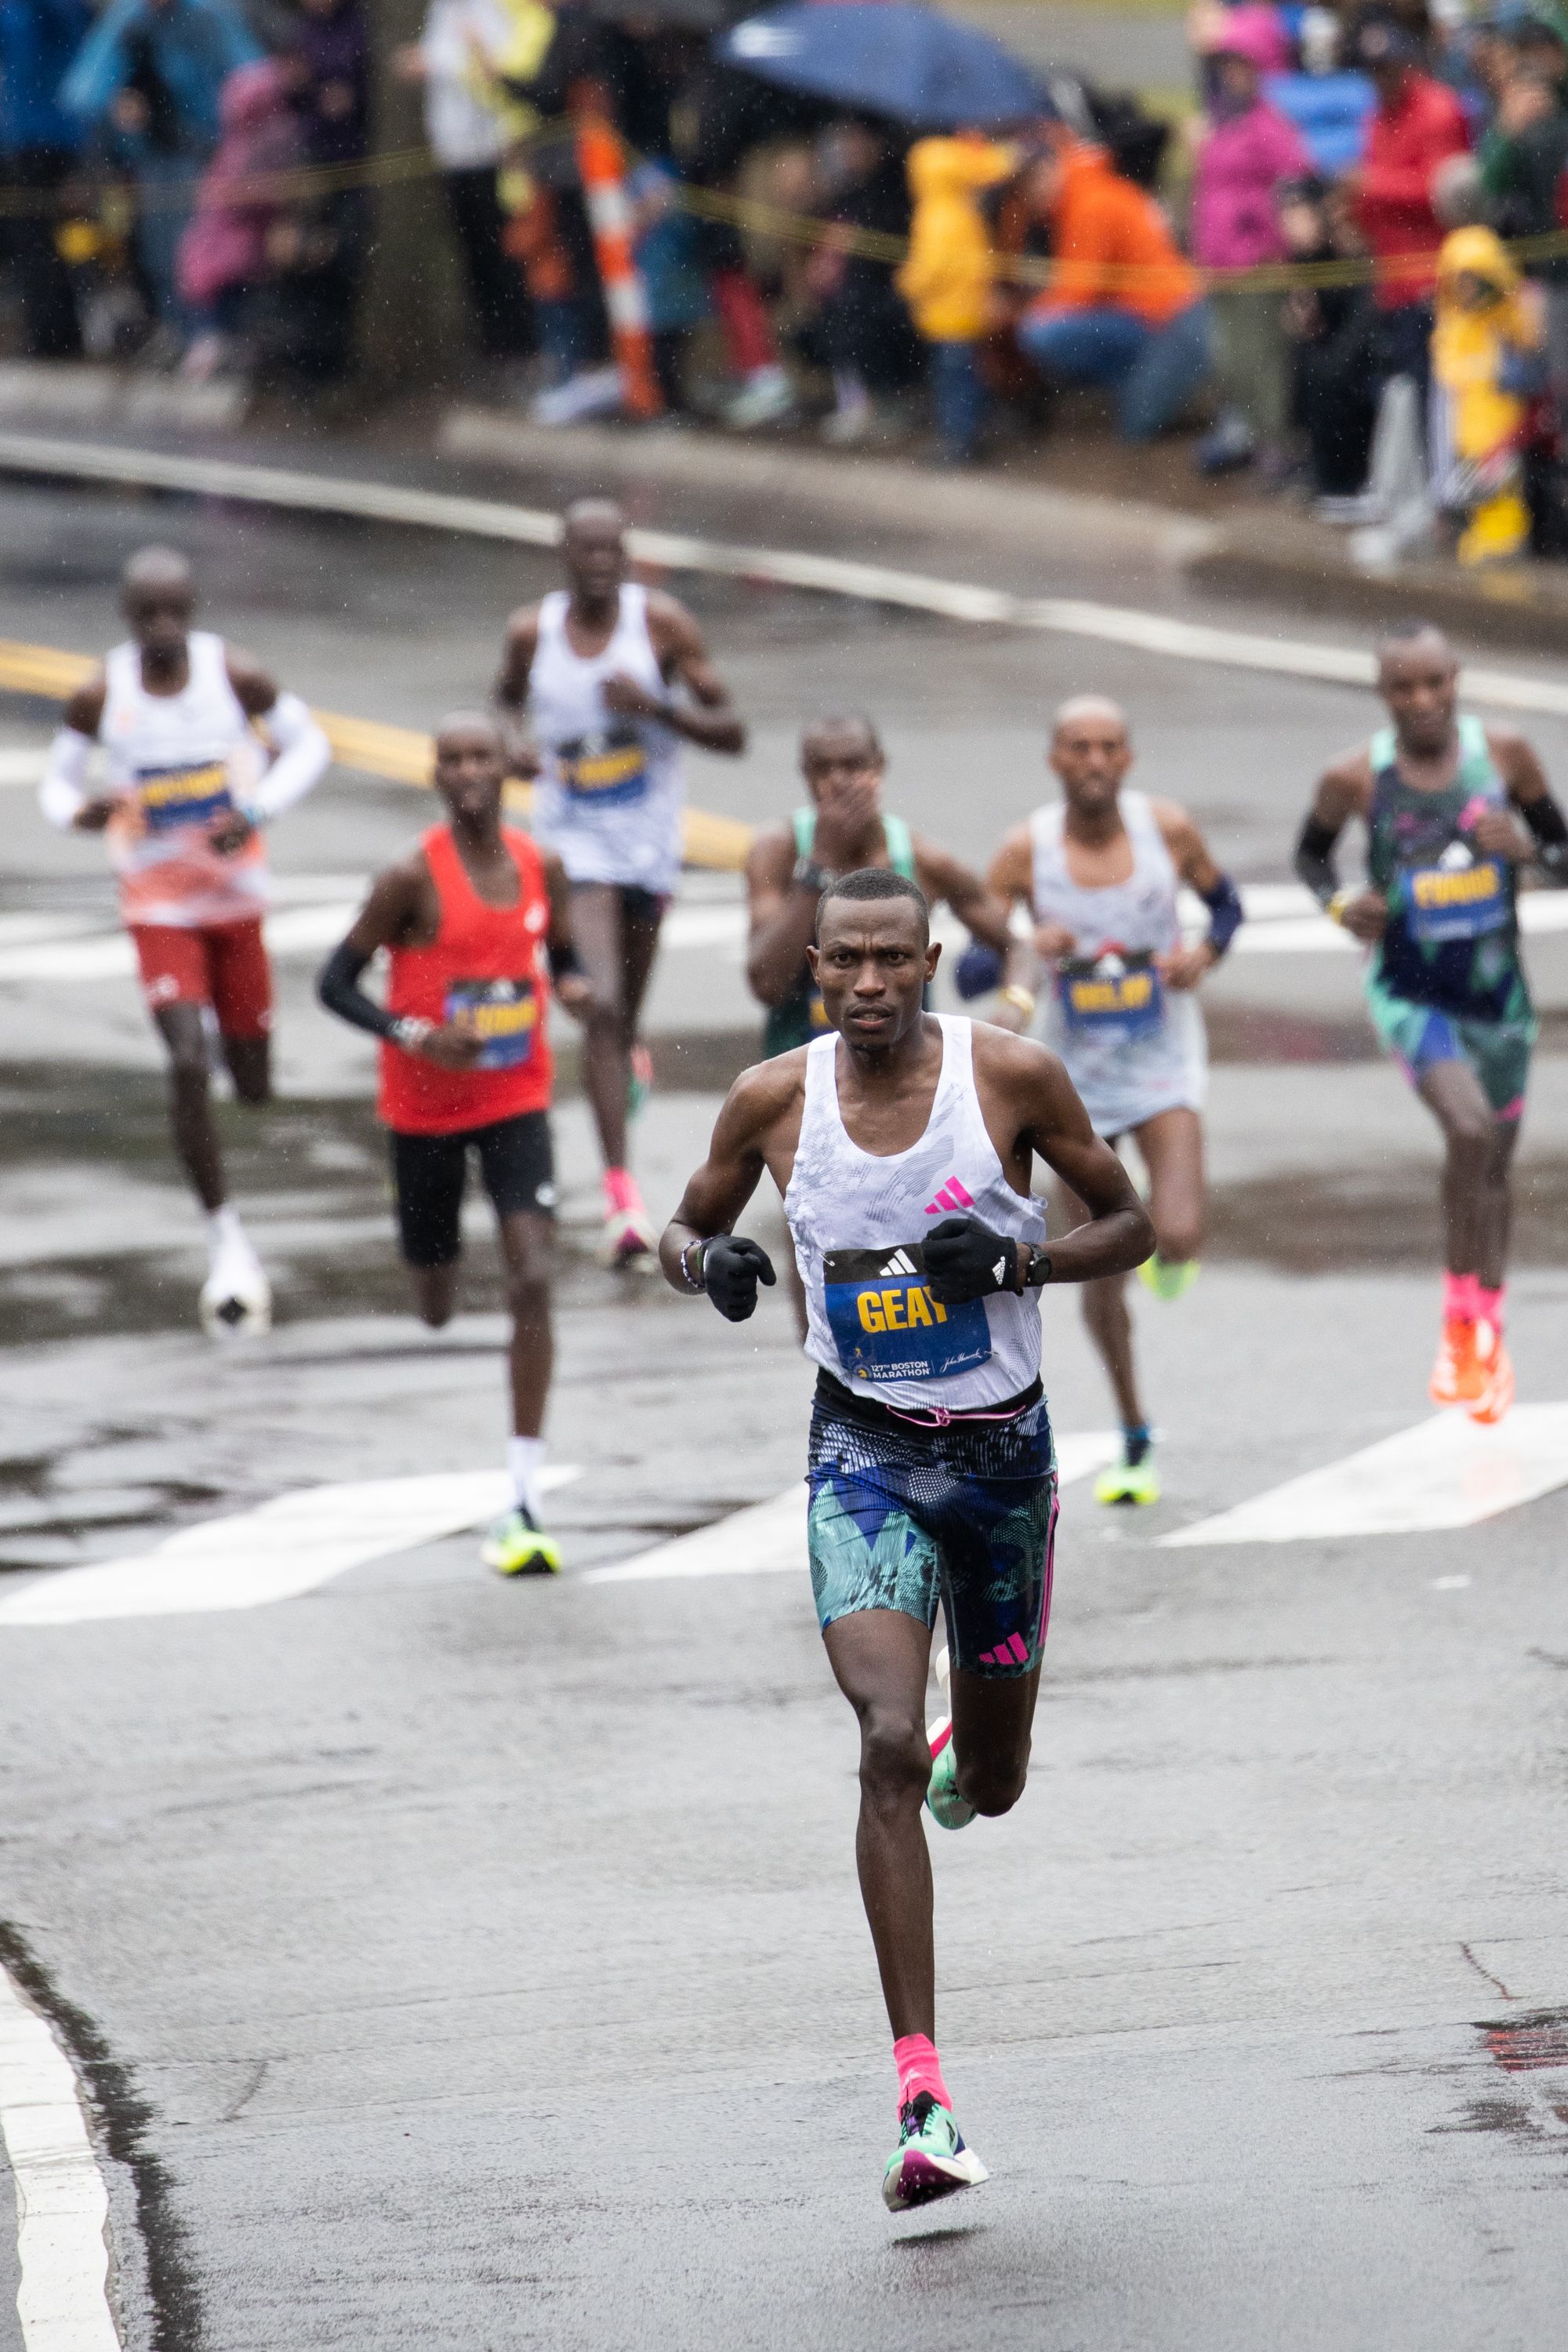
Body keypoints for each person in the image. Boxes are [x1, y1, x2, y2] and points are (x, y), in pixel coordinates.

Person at [659, 867, 1152, 2209]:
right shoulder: (775, 1101)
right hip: (862, 1452)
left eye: (892, 962)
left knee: (991, 1782)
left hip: (1002, 1462)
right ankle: (921, 2099)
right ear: (813, 969)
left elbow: (1135, 1222)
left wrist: (1022, 1263)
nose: (868, 986)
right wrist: (718, 1271)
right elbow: (679, 1230)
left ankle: (962, 1759)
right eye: (845, 965)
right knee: (880, 1738)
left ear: (930, 959)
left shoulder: (1015, 1080)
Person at [318, 713, 591, 1576]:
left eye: (481, 756)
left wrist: (578, 989)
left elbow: (564, 951)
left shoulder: (539, 862)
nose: (468, 771)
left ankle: (522, 1494)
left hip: (516, 1099)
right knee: (435, 1301)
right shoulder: (410, 875)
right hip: (424, 1114)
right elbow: (333, 981)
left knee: (533, 1275)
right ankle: (440, 1274)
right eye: (451, 760)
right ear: (435, 775)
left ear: (505, 768)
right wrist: (411, 1032)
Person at [38, 545, 330, 1333]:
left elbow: (311, 747)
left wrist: (257, 810)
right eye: (147, 615)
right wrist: (80, 814)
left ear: (192, 611)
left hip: (235, 905)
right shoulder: (105, 694)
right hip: (158, 908)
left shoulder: (233, 676)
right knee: (187, 1058)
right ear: (129, 619)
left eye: (175, 611)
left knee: (252, 1079)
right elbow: (56, 785)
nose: (163, 627)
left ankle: (243, 1081)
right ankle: (225, 1239)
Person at [1295, 622, 1568, 1419]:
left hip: (1497, 997)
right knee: (1469, 1131)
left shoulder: (1506, 756)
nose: (1420, 701)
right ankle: (1458, 1327)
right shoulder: (1353, 779)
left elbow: (1561, 854)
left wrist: (1520, 848)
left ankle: (1486, 1327)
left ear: (1455, 681)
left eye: (1433, 684)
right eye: (1401, 688)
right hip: (1408, 991)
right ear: (1381, 695)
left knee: (1490, 1165)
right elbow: (1310, 861)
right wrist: (1342, 904)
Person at [987, 697, 1242, 1505]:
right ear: (1055, 760)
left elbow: (1227, 905)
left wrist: (1201, 952)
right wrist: (1029, 950)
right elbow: (970, 969)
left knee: (1176, 1232)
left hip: (1162, 1061)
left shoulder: (1164, 829)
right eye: (1077, 747)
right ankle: (1133, 1428)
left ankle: (1168, 1256)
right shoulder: (1025, 851)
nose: (1093, 760)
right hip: (1071, 1087)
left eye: (1107, 747)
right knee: (1102, 1268)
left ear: (1127, 758)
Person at [495, 497, 746, 1265]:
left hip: (648, 849)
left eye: (614, 550)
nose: (601, 562)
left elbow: (731, 731)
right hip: (571, 847)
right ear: (563, 554)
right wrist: (513, 749)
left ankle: (626, 1044)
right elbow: (505, 702)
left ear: (628, 556)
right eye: (586, 549)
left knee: (625, 1005)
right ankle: (620, 1196)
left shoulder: (661, 626)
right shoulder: (531, 633)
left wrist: (655, 709)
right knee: (598, 1007)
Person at [746, 712, 1014, 1329]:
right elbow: (766, 980)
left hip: (911, 1083)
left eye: (854, 767)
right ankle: (846, 1404)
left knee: (919, 1251)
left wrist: (1013, 1008)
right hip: (807, 1093)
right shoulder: (781, 852)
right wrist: (818, 869)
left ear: (880, 771)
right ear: (805, 778)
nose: (840, 783)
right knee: (821, 1291)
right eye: (824, 770)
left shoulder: (919, 856)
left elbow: (1015, 946)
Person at [60, 0, 263, 355]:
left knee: (209, 248)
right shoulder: (129, 19)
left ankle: (213, 334)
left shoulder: (208, 16)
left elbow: (254, 81)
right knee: (160, 248)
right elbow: (85, 91)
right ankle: (179, 332)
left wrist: (231, 137)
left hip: (209, 154)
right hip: (151, 155)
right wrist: (117, 104)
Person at [1014, 124, 1214, 443]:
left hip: (1172, 318)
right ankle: (1143, 386)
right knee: (1135, 421)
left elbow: (1079, 292)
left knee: (1040, 331)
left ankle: (1149, 388)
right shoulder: (1084, 193)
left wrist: (1019, 310)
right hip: (1153, 313)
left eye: (1032, 180)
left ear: (1051, 167)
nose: (1030, 194)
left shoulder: (1089, 203)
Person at [1188, 7, 1309, 477]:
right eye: (1227, 66)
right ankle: (1253, 438)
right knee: (1231, 360)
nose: (1232, 75)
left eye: (1241, 65)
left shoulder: (1269, 125)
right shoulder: (1219, 124)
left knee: (1264, 362)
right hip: (1220, 262)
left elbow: (1295, 182)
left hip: (1257, 261)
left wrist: (1275, 244)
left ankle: (1275, 446)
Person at [393, 2, 537, 372]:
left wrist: (436, 63)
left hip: (488, 147)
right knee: (473, 249)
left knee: (500, 248)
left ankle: (518, 342)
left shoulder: (492, 8)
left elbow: (497, 71)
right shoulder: (441, 9)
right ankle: (493, 341)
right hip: (452, 150)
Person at [1345, 12, 1471, 412]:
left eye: (1388, 68)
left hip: (1435, 278)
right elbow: (1370, 194)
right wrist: (1352, 208)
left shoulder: (1439, 108)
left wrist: (1369, 186)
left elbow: (1444, 193)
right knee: (1408, 394)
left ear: (1406, 64)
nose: (1381, 79)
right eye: (1374, 71)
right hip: (1394, 278)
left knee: (1441, 398)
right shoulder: (1375, 118)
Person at [895, 131, 1016, 465]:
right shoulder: (964, 212)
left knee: (954, 381)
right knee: (967, 377)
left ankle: (958, 442)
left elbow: (932, 269)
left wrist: (908, 283)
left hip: (948, 316)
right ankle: (970, 436)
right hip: (966, 312)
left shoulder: (936, 217)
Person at [1430, 223, 1546, 562]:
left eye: (1473, 281)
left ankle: (1508, 541)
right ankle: (1484, 536)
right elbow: (1448, 367)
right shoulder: (1455, 322)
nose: (1466, 290)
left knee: (1504, 492)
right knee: (1476, 493)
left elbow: (1529, 352)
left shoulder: (1508, 318)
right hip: (1469, 431)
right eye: (1460, 281)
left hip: (1503, 430)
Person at [0, 0, 92, 360]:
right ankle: (48, 333)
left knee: (46, 241)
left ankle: (56, 335)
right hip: (22, 137)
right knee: (31, 241)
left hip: (50, 138)